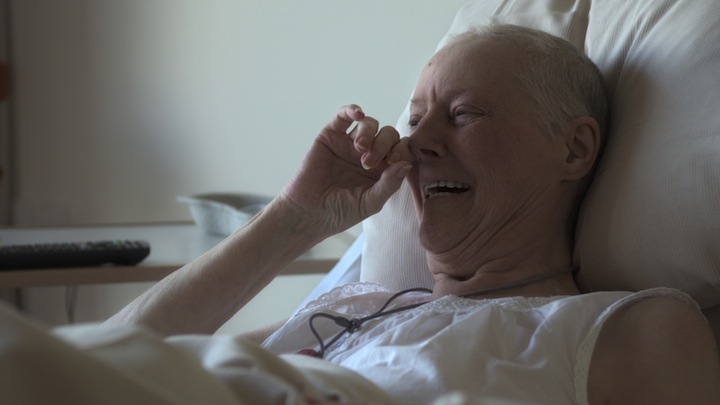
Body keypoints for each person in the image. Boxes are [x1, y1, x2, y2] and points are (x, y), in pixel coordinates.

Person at [108, 24, 720, 404]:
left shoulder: (626, 332)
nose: (417, 142)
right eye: (416, 118)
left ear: (574, 148)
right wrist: (295, 218)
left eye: (463, 115)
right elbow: (107, 362)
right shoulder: (347, 310)